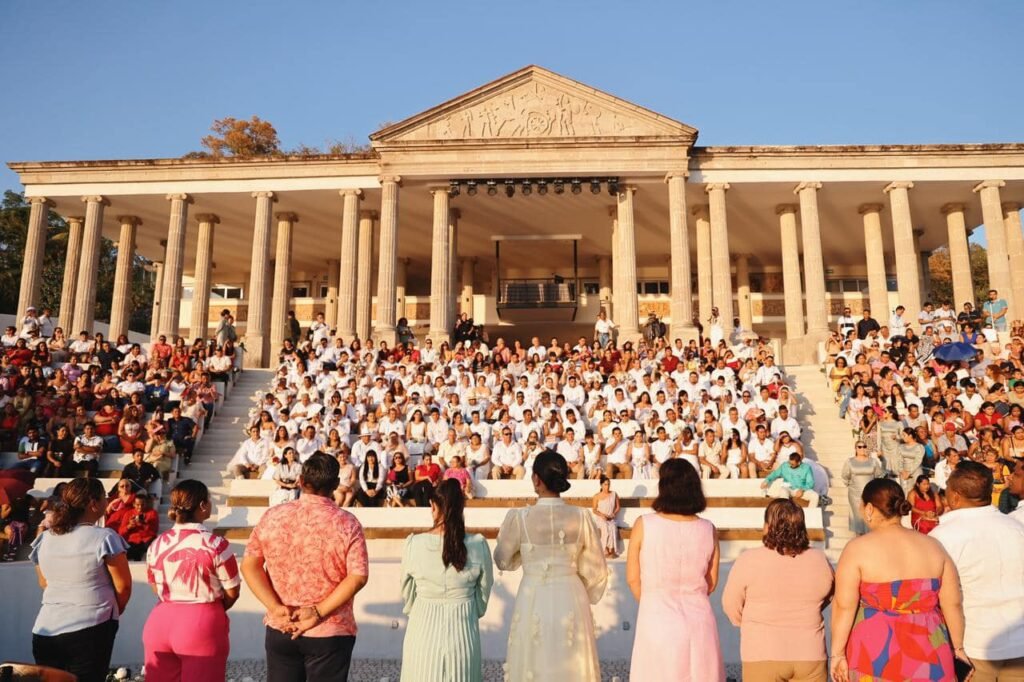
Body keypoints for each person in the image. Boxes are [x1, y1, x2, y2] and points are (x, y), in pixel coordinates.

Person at [242, 453, 369, 682]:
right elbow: (357, 576)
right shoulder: (347, 522)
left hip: (283, 623)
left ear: (301, 481)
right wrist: (317, 611)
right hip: (330, 628)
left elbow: (250, 566)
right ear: (335, 485)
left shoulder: (273, 516)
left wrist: (275, 606)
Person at [830, 478, 967, 682]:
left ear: (869, 508)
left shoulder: (857, 549)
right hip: (930, 651)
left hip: (875, 653)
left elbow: (844, 606)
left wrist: (837, 654)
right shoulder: (933, 546)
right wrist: (958, 649)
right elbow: (953, 604)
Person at [494, 450, 607, 682]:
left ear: (536, 479)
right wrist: (579, 585)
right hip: (571, 595)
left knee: (534, 660)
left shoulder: (521, 517)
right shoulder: (581, 516)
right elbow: (596, 569)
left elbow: (502, 558)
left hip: (533, 593)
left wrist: (524, 559)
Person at [627, 458, 724, 681]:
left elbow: (633, 579)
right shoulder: (708, 529)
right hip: (700, 622)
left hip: (657, 618)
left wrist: (654, 601)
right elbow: (711, 582)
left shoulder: (644, 524)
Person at [30, 478, 133, 682]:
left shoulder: (46, 537)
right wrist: (111, 611)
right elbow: (124, 586)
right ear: (93, 503)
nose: (107, 501)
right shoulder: (105, 537)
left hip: (45, 628)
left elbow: (44, 583)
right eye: (104, 496)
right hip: (91, 627)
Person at [723, 499, 834, 682]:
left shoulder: (748, 560)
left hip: (762, 652)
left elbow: (731, 606)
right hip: (810, 652)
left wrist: (753, 623)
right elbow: (828, 594)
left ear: (767, 526)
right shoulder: (819, 559)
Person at [931, 461, 1024, 680]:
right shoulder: (1017, 528)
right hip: (1019, 641)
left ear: (954, 496)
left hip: (973, 644)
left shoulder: (943, 536)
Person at [144, 480, 241, 682]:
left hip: (160, 619)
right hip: (202, 621)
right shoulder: (216, 544)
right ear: (203, 506)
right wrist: (213, 610)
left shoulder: (156, 544)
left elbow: (155, 586)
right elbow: (233, 591)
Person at [400, 478, 494, 682]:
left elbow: (407, 593)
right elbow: (484, 591)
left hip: (422, 628)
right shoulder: (478, 544)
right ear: (461, 508)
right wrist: (469, 607)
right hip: (463, 632)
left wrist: (416, 609)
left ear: (433, 506)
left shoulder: (414, 544)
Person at [840, 441, 885, 535]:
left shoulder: (873, 461)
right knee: (858, 516)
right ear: (855, 449)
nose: (862, 448)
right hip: (855, 494)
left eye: (864, 446)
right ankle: (859, 538)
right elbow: (845, 476)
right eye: (859, 447)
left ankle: (870, 537)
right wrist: (852, 485)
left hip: (870, 494)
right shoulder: (849, 461)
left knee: (870, 515)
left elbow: (879, 475)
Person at [118, 494, 159, 560]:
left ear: (146, 503)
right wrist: (129, 526)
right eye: (137, 505)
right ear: (134, 504)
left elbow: (154, 531)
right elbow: (121, 531)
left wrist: (143, 524)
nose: (140, 507)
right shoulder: (128, 513)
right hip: (132, 541)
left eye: (143, 504)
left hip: (146, 540)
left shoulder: (152, 513)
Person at [591, 475, 622, 558]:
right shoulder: (596, 496)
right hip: (601, 518)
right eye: (605, 484)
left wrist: (613, 514)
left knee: (612, 527)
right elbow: (594, 510)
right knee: (605, 527)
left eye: (608, 484)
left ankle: (612, 550)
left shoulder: (614, 494)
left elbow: (618, 507)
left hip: (611, 518)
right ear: (601, 485)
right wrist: (603, 515)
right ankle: (604, 549)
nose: (607, 486)